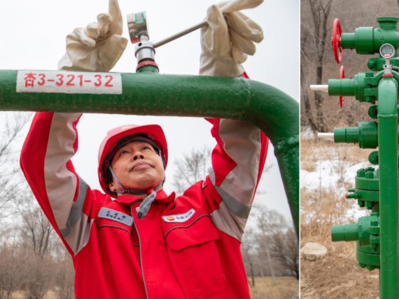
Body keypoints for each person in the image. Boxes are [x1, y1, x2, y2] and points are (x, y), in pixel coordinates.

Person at [20, 0, 268, 298]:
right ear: (109, 181)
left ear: (163, 165)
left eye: (146, 149)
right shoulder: (89, 220)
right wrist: (77, 78)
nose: (137, 154)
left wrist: (225, 80)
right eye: (124, 153)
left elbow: (244, 148)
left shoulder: (211, 208)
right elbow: (42, 161)